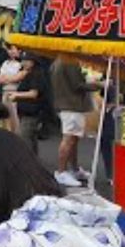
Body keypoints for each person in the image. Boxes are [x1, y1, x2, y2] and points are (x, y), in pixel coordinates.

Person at [50, 55, 102, 187]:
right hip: (71, 105)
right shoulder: (69, 61)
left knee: (73, 138)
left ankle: (73, 169)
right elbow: (78, 85)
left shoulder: (57, 61)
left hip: (65, 103)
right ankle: (61, 171)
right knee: (69, 139)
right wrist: (99, 85)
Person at [8, 53, 45, 154]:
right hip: (27, 110)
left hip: (31, 111)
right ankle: (33, 159)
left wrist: (17, 95)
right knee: (30, 137)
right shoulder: (30, 73)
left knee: (24, 136)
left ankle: (28, 160)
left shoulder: (36, 75)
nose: (23, 63)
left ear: (32, 62)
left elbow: (34, 93)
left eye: (26, 60)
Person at [0, 45, 27, 134]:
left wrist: (6, 78)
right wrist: (11, 78)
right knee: (5, 117)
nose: (11, 52)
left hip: (15, 92)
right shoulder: (5, 63)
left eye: (13, 49)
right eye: (9, 49)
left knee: (15, 116)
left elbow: (18, 77)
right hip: (5, 92)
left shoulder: (22, 64)